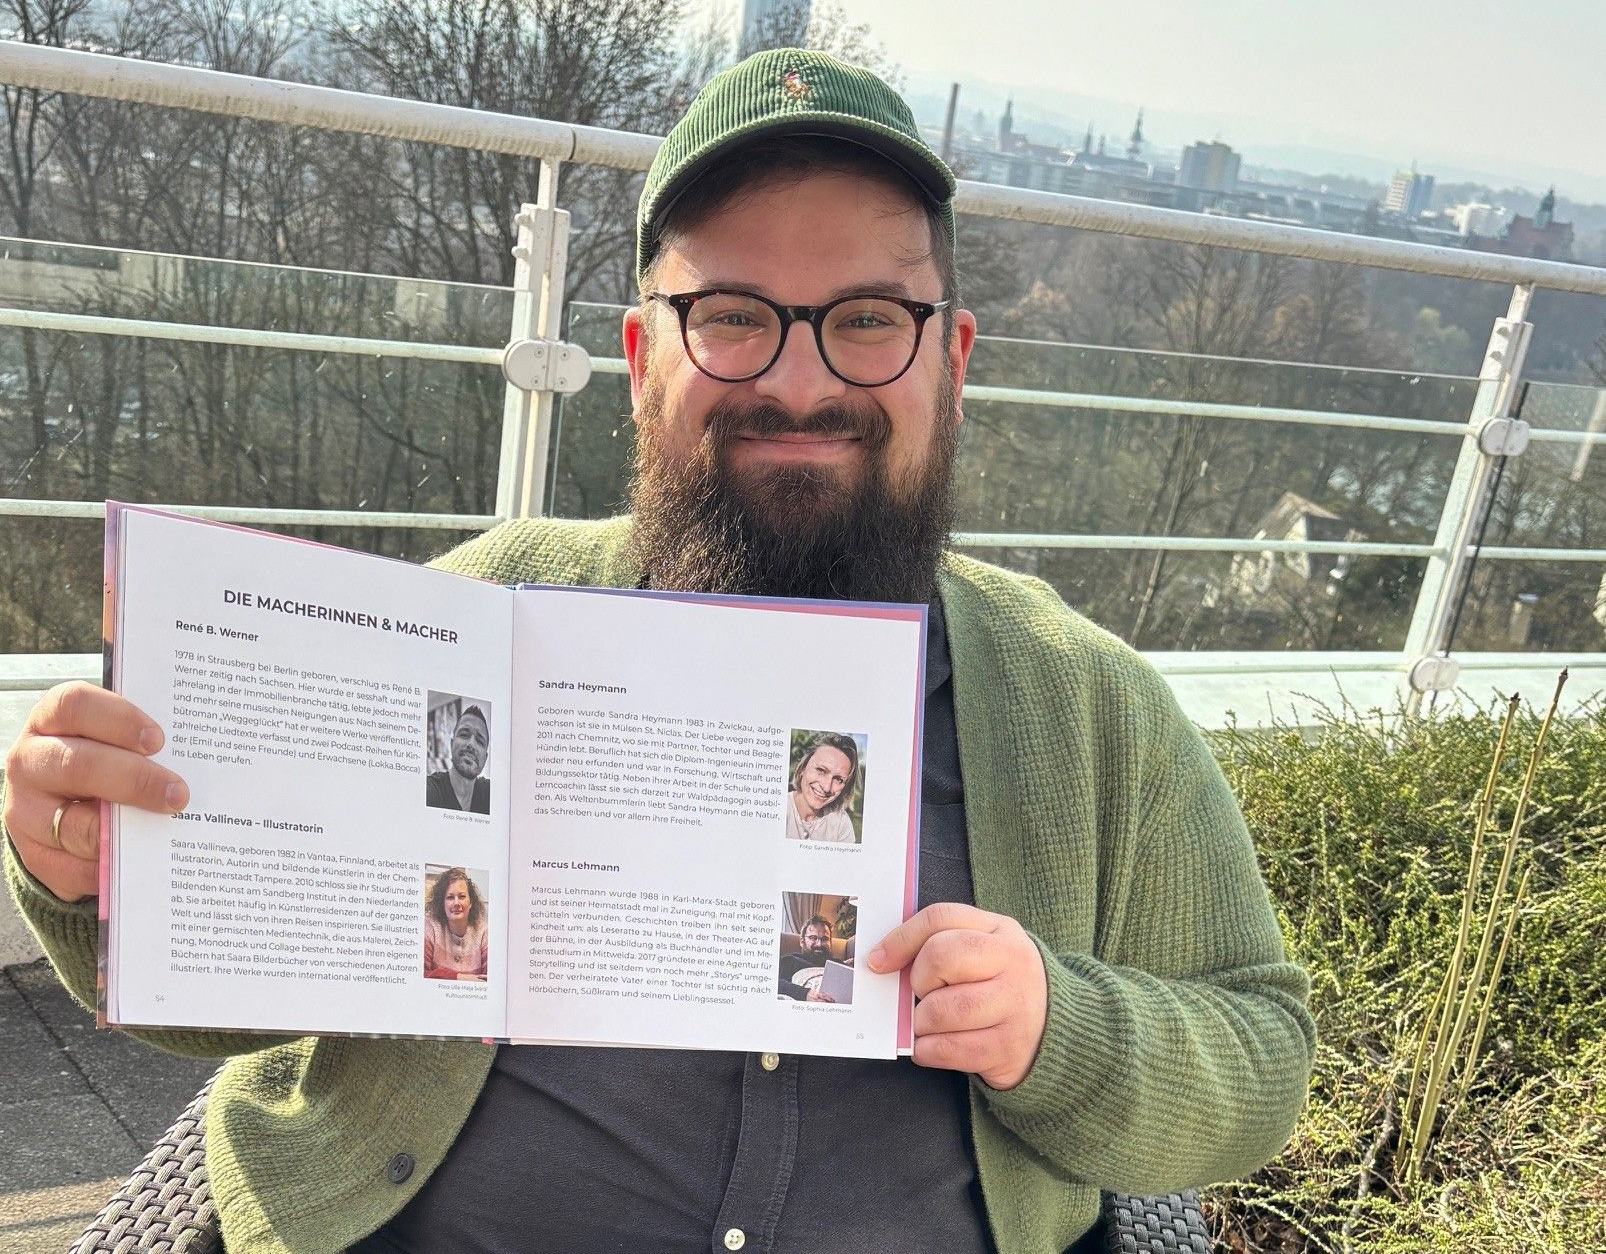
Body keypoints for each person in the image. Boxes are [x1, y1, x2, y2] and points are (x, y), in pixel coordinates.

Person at [3, 49, 1315, 1254]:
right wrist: (92, 876)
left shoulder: (1084, 705)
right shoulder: (473, 624)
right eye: (733, 314)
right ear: (640, 358)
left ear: (953, 360)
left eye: (869, 318)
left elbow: (1258, 1053)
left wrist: (1055, 1027)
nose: (800, 382)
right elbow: (228, 992)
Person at [784, 733, 859, 842]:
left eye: (838, 779)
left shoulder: (841, 822)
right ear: (803, 768)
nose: (827, 787)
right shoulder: (779, 808)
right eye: (821, 770)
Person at [423, 867, 489, 981]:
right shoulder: (430, 927)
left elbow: (490, 977)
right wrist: (460, 977)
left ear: (471, 902)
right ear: (442, 903)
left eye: (462, 896)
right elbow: (421, 973)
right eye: (450, 897)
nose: (456, 903)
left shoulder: (483, 932)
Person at [425, 704, 491, 814]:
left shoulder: (490, 794)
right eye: (464, 734)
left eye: (480, 741)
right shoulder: (431, 790)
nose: (471, 744)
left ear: (485, 758)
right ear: (451, 744)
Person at [777, 914, 841, 1002]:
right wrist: (805, 994)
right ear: (802, 942)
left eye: (825, 939)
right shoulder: (790, 960)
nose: (819, 944)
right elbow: (776, 983)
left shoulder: (839, 965)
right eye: (813, 938)